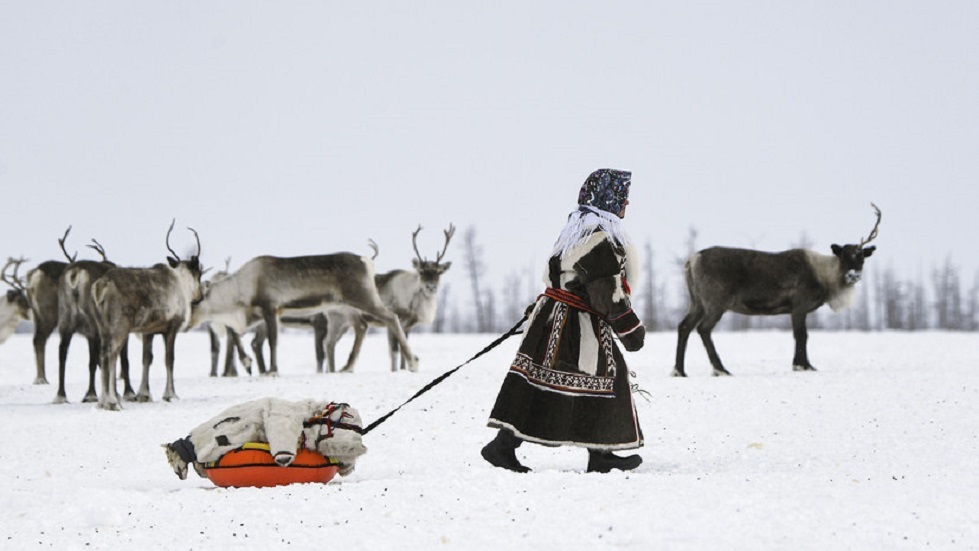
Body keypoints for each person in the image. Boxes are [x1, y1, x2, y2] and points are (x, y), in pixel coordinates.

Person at [482, 168, 646, 473]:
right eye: (622, 196)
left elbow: (559, 279)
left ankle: (505, 446)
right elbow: (605, 292)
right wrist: (630, 329)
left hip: (553, 320)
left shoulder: (574, 234)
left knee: (540, 384)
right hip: (576, 325)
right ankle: (600, 455)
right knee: (608, 379)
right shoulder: (600, 240)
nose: (627, 203)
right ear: (609, 199)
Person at [163, 397, 367, 480]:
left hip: (253, 420)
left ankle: (192, 455)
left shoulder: (316, 425)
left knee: (218, 436)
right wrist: (284, 450)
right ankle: (184, 452)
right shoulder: (298, 412)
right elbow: (282, 421)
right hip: (252, 420)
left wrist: (343, 464)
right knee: (220, 435)